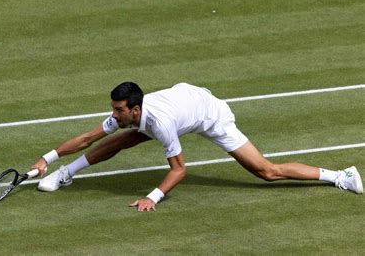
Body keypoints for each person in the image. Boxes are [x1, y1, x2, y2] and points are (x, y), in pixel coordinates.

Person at [31, 82, 363, 211]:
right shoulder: (129, 115)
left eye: (119, 110)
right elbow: (88, 137)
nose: (114, 114)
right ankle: (64, 173)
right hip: (186, 101)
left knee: (266, 171)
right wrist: (46, 159)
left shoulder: (159, 123)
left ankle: (340, 175)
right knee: (121, 138)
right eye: (113, 109)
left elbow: (179, 170)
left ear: (135, 108)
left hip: (210, 115)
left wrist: (152, 196)